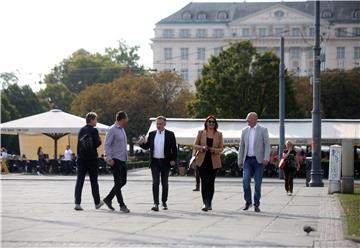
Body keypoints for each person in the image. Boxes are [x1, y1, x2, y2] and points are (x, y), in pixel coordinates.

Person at [138, 116, 177, 211]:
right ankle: (156, 203)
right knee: (155, 182)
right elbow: (147, 147)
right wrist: (141, 143)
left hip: (165, 162)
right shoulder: (151, 134)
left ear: (164, 124)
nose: (158, 125)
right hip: (155, 162)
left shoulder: (170, 134)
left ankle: (164, 202)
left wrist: (173, 159)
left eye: (160, 124)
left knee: (165, 183)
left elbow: (174, 149)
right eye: (157, 124)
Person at [238, 112, 270, 213]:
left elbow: (267, 145)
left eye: (248, 119)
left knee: (257, 183)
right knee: (245, 180)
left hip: (259, 160)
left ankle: (256, 203)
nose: (247, 121)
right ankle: (248, 202)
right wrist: (240, 160)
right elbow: (241, 146)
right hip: (247, 159)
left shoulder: (263, 130)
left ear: (255, 119)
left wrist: (266, 157)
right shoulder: (244, 131)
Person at [74, 112, 103, 211]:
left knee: (79, 181)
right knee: (94, 181)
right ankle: (97, 202)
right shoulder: (94, 130)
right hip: (92, 159)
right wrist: (99, 139)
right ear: (91, 120)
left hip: (81, 159)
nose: (96, 121)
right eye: (95, 119)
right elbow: (97, 143)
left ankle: (77, 203)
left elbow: (78, 145)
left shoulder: (81, 130)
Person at [193, 116, 223, 211]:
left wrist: (213, 150)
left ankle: (209, 202)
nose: (211, 124)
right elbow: (194, 145)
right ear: (206, 123)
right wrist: (202, 148)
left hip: (213, 161)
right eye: (209, 122)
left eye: (213, 122)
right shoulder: (201, 133)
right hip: (202, 161)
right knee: (204, 181)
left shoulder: (219, 134)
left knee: (211, 182)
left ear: (215, 124)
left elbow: (221, 148)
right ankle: (205, 203)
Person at [103, 111, 130, 213]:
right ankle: (122, 205)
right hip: (115, 159)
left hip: (122, 159)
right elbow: (107, 145)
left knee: (123, 181)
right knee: (118, 182)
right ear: (122, 119)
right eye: (126, 118)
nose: (127, 120)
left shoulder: (122, 129)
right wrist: (109, 158)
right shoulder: (112, 130)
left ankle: (108, 199)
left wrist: (126, 158)